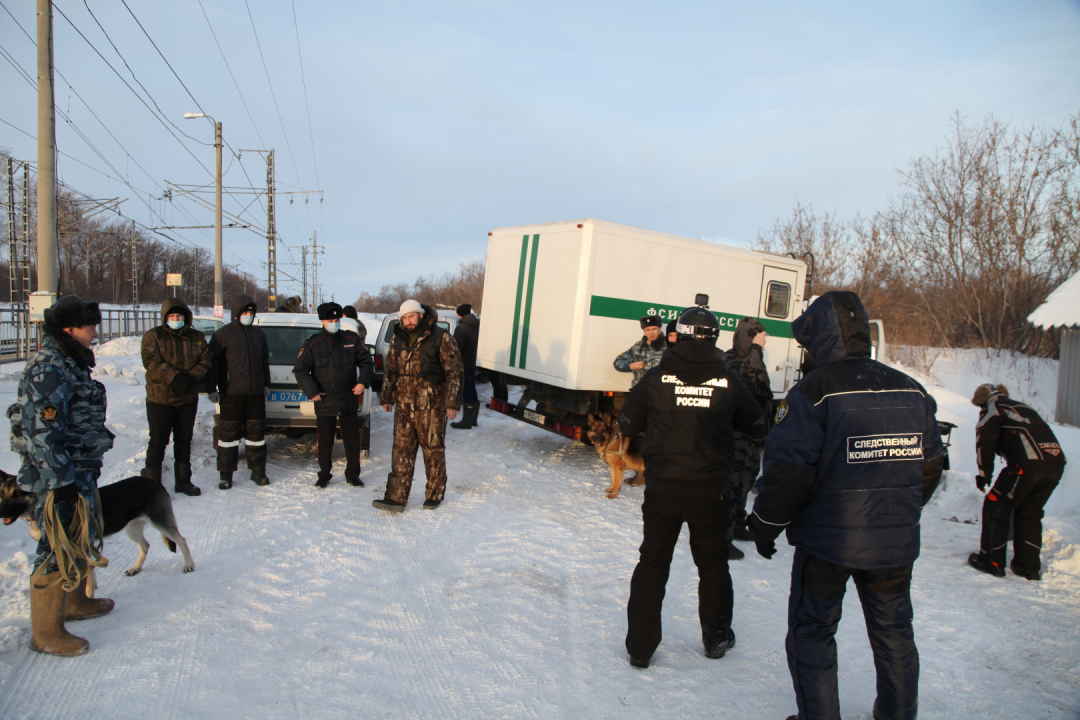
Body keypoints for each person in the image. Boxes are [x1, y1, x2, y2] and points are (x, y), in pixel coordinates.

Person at [748, 291, 944, 720]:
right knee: (895, 633)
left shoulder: (813, 392)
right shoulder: (911, 389)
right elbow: (930, 465)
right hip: (892, 545)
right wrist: (899, 510)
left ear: (819, 339)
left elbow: (788, 473)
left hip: (827, 545)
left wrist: (764, 525)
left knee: (813, 632)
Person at [619, 300, 766, 669]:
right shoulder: (728, 381)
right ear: (714, 338)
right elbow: (757, 423)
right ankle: (716, 639)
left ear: (677, 337)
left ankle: (640, 648)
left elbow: (626, 424)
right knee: (713, 565)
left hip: (665, 488)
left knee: (653, 563)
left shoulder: (656, 378)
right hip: (710, 491)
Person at [12, 296, 115, 656]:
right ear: (69, 328)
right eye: (89, 325)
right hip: (59, 477)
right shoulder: (49, 368)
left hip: (78, 470)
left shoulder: (70, 362)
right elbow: (44, 433)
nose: (94, 330)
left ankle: (75, 603)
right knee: (54, 546)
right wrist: (62, 482)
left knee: (76, 537)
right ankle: (46, 633)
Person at [967, 383, 1066, 580]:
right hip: (1055, 463)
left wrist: (984, 474)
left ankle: (991, 561)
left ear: (981, 400)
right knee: (1030, 512)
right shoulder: (1021, 406)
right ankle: (1027, 566)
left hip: (1026, 465)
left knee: (996, 506)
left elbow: (984, 442)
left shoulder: (993, 407)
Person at [374, 300, 464, 512]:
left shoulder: (440, 337)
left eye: (411, 316)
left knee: (432, 449)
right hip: (404, 405)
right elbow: (390, 371)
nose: (408, 321)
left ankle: (434, 494)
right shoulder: (397, 339)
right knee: (401, 450)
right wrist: (387, 397)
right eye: (404, 318)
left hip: (431, 405)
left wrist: (452, 403)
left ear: (421, 316)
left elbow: (454, 371)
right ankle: (396, 497)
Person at [293, 302, 375, 488]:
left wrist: (362, 382)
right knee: (325, 441)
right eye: (331, 320)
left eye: (337, 320)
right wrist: (312, 392)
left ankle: (353, 474)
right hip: (325, 399)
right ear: (323, 321)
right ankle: (324, 475)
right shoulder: (313, 343)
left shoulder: (351, 339)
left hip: (348, 398)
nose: (334, 323)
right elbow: (300, 370)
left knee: (352, 439)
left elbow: (366, 363)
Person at [140, 297, 212, 497]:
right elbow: (152, 362)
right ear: (165, 317)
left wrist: (190, 377)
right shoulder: (153, 336)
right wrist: (175, 377)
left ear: (185, 317)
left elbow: (206, 359)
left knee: (184, 440)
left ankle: (183, 481)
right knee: (158, 441)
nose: (175, 318)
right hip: (160, 399)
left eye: (179, 315)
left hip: (187, 399)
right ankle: (151, 486)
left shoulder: (197, 337)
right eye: (172, 316)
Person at [208, 294, 271, 489]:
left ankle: (258, 471)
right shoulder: (222, 335)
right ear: (236, 314)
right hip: (231, 394)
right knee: (228, 437)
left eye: (251, 312)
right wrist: (211, 388)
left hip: (255, 394)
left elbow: (263, 362)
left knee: (256, 436)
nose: (248, 315)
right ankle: (226, 474)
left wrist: (266, 384)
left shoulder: (258, 335)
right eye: (244, 312)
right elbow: (212, 364)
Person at [724, 317, 773, 558]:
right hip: (736, 434)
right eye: (759, 336)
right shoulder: (732, 359)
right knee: (733, 483)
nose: (764, 341)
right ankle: (722, 537)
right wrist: (755, 349)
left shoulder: (752, 358)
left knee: (747, 477)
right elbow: (751, 383)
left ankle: (737, 524)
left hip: (752, 434)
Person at [614, 316, 666, 388]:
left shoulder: (668, 347)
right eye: (648, 330)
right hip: (639, 391)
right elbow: (617, 362)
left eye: (654, 329)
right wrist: (630, 366)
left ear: (660, 330)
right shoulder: (638, 346)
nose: (651, 333)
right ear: (644, 332)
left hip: (659, 391)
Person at [451, 303, 480, 430]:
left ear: (460, 314)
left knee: (467, 391)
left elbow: (455, 348)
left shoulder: (462, 328)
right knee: (472, 390)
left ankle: (466, 422)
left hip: (463, 364)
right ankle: (473, 420)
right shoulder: (476, 326)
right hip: (473, 362)